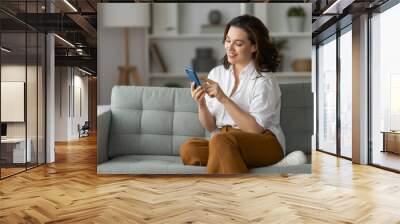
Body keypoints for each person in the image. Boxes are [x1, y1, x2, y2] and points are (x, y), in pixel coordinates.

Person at [179, 15, 285, 174]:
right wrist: (201, 103)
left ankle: (231, 190)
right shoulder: (217, 73)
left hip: (264, 141)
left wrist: (223, 98)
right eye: (228, 41)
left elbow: (255, 129)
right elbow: (211, 126)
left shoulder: (264, 80)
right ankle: (233, 158)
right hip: (225, 139)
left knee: (220, 141)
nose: (230, 48)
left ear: (254, 47)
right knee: (189, 149)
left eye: (238, 43)